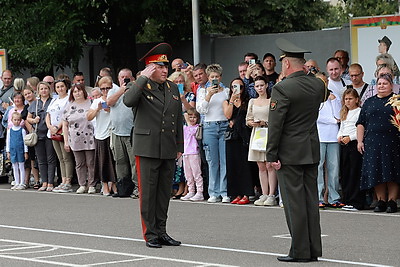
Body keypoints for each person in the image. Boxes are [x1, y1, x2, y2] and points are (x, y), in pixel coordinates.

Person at [266, 38, 327, 262]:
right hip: (310, 148)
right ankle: (313, 249)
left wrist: (271, 154)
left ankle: (299, 251)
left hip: (289, 152)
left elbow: (276, 124)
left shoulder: (283, 88)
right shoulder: (318, 84)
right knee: (310, 201)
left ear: (287, 64)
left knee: (294, 203)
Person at [123, 43, 183, 248]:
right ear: (150, 68)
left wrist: (179, 145)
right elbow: (128, 101)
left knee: (164, 193)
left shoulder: (173, 88)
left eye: (166, 66)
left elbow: (178, 119)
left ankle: (162, 231)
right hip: (147, 147)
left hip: (167, 147)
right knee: (148, 194)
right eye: (160, 66)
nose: (165, 70)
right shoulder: (138, 86)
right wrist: (142, 78)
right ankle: (150, 234)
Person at [356, 73, 400, 213]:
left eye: (385, 84)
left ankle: (392, 201)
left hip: (393, 142)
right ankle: (381, 200)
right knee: (377, 171)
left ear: (391, 85)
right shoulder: (369, 102)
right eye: (379, 84)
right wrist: (359, 141)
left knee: (392, 171)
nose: (381, 86)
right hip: (372, 143)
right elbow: (361, 123)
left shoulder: (397, 101)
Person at [196, 63, 230, 203]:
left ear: (220, 77)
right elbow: (200, 110)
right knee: (212, 161)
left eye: (217, 76)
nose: (214, 79)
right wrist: (209, 95)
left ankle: (224, 191)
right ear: (208, 78)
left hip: (223, 125)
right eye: (212, 77)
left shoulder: (226, 90)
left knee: (224, 161)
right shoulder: (203, 91)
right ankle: (213, 192)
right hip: (209, 126)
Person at [223, 78, 256, 205]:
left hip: (244, 135)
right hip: (232, 137)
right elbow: (227, 115)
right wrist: (232, 101)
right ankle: (235, 193)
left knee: (245, 165)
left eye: (241, 87)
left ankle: (247, 193)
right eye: (234, 86)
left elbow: (247, 115)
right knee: (233, 164)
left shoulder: (248, 101)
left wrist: (240, 104)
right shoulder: (227, 101)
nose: (238, 89)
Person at [106, 68, 138, 198]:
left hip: (131, 132)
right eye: (122, 77)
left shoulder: (135, 90)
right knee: (120, 161)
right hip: (116, 132)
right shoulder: (113, 91)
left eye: (127, 77)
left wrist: (128, 89)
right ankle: (123, 187)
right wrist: (121, 90)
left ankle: (137, 187)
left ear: (132, 79)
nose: (125, 79)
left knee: (134, 162)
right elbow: (109, 103)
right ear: (118, 79)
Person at [247, 76, 277, 206]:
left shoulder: (271, 101)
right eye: (257, 86)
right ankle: (264, 193)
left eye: (261, 85)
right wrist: (251, 123)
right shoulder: (252, 101)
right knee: (261, 165)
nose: (259, 88)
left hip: (269, 132)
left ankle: (272, 195)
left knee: (270, 164)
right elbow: (248, 119)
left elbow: (276, 119)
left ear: (266, 86)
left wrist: (265, 122)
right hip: (257, 134)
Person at [63, 83, 96, 194]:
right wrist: (66, 141)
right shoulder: (69, 106)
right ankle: (82, 184)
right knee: (79, 163)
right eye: (75, 91)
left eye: (79, 90)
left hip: (90, 137)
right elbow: (65, 124)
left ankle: (91, 184)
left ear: (83, 91)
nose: (77, 93)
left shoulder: (91, 102)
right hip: (75, 138)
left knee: (90, 162)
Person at [316, 72, 343, 209]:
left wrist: (334, 101)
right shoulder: (314, 97)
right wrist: (334, 121)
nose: (324, 84)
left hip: (333, 136)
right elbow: (317, 116)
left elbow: (339, 114)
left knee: (334, 167)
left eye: (325, 81)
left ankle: (334, 197)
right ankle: (318, 197)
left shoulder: (334, 96)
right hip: (319, 136)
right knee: (318, 167)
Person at [87, 76, 116, 196]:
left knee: (115, 161)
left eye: (108, 88)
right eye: (103, 89)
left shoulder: (115, 99)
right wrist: (98, 109)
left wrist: (110, 110)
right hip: (101, 135)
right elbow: (88, 117)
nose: (105, 91)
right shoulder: (96, 101)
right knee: (103, 161)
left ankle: (114, 183)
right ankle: (104, 184)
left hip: (113, 133)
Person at [27, 81, 57, 191]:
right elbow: (28, 118)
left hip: (49, 133)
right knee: (41, 159)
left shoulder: (53, 102)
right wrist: (34, 120)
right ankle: (44, 182)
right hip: (38, 133)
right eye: (41, 89)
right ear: (38, 91)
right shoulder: (35, 103)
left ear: (49, 90)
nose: (43, 91)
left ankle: (50, 182)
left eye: (45, 88)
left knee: (51, 158)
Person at [337, 88, 364, 211]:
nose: (348, 101)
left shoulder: (359, 112)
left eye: (350, 99)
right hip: (344, 144)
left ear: (357, 99)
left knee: (354, 172)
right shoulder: (344, 112)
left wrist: (350, 137)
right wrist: (339, 136)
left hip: (353, 143)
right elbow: (342, 127)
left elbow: (360, 128)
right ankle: (347, 199)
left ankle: (356, 201)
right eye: (346, 99)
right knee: (345, 172)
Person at [46, 78, 74, 193]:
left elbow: (66, 115)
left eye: (62, 86)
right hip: (53, 132)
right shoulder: (54, 100)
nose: (60, 89)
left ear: (66, 87)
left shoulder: (69, 99)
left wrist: (57, 127)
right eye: (57, 87)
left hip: (63, 131)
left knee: (66, 157)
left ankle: (68, 181)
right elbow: (48, 114)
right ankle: (62, 180)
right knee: (60, 158)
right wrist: (50, 127)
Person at [180, 108, 204, 201]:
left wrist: (188, 121)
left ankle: (200, 192)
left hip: (194, 152)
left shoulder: (197, 127)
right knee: (188, 174)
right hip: (186, 153)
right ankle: (191, 191)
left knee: (196, 173)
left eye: (194, 117)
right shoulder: (185, 127)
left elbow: (192, 133)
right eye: (190, 117)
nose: (192, 119)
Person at [23, 87, 40, 189]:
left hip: (40, 133)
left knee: (42, 158)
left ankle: (45, 179)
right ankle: (37, 180)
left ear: (33, 93)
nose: (28, 96)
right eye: (25, 94)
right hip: (30, 136)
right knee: (32, 158)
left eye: (29, 93)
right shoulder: (26, 108)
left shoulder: (38, 104)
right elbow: (25, 120)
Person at [7, 112, 28, 190]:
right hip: (13, 151)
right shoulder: (10, 131)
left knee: (21, 166)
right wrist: (8, 151)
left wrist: (26, 152)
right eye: (15, 120)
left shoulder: (22, 130)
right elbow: (8, 141)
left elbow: (25, 142)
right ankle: (17, 181)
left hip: (20, 151)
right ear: (12, 120)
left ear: (21, 120)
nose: (17, 121)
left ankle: (22, 183)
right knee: (15, 167)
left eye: (18, 120)